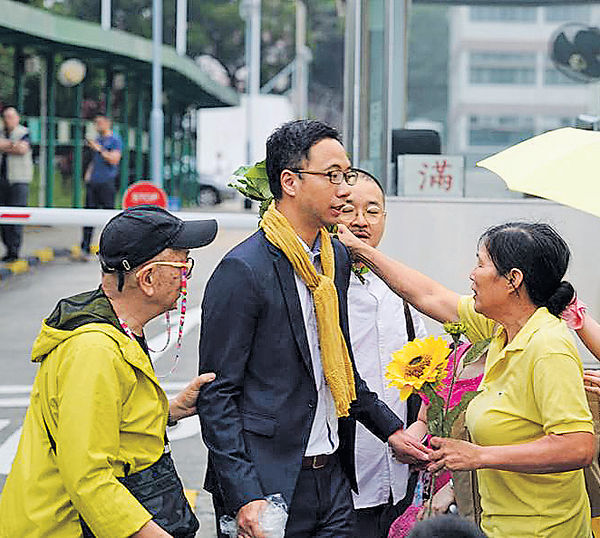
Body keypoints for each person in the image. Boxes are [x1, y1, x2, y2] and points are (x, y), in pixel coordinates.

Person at [196, 120, 430, 538]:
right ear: (290, 181)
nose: (345, 188)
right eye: (333, 176)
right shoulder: (243, 270)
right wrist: (245, 494)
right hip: (269, 486)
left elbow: (337, 363)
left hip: (333, 476)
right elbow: (219, 395)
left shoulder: (333, 259)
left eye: (347, 175)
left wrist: (392, 430)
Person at [336, 221, 595, 537]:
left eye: (481, 263)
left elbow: (577, 446)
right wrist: (361, 249)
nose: (472, 274)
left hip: (545, 530)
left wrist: (480, 456)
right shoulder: (500, 330)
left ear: (513, 280)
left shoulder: (547, 345)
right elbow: (428, 294)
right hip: (499, 525)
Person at [0, 205, 218, 537]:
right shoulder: (93, 352)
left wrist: (168, 412)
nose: (186, 274)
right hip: (65, 528)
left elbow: (105, 425)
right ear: (146, 278)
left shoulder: (120, 329)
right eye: (181, 262)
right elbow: (89, 478)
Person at [337, 170, 428, 538]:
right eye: (348, 210)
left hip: (400, 470)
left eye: (372, 211)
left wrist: (420, 425)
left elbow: (428, 369)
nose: (361, 221)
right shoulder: (322, 290)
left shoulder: (399, 288)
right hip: (343, 474)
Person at [81, 114, 123, 256]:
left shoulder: (115, 140)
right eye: (95, 122)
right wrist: (88, 174)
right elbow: (95, 160)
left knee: (109, 217)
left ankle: (111, 248)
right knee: (88, 216)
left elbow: (114, 159)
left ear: (108, 123)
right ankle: (85, 247)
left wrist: (99, 149)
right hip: (93, 182)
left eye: (100, 122)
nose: (97, 125)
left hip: (107, 182)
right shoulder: (98, 140)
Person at [0, 106, 33, 261]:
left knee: (17, 216)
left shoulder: (24, 132)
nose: (9, 120)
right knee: (3, 217)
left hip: (19, 180)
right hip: (3, 180)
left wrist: (5, 145)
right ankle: (7, 249)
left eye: (11, 117)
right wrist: (12, 145)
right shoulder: (2, 132)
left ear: (17, 118)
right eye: (6, 117)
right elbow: (16, 147)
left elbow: (22, 149)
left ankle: (15, 250)